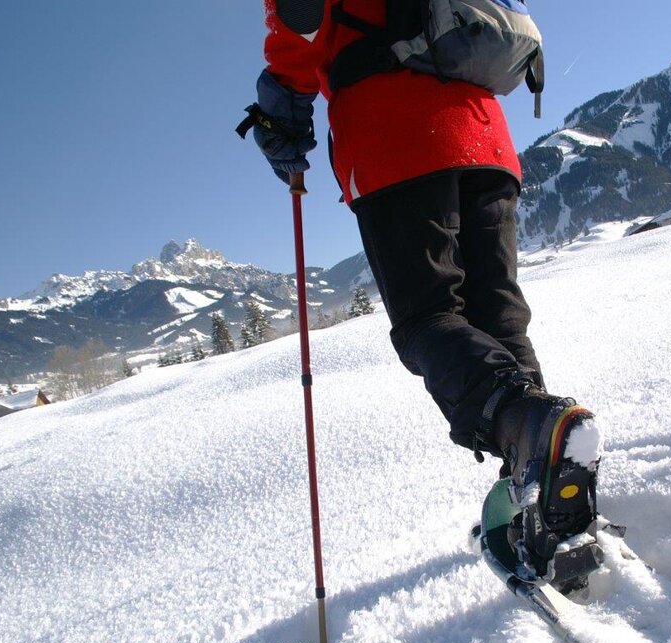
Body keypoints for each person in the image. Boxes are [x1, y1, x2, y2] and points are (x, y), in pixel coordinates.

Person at [251, 0, 603, 583]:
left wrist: (279, 105)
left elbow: (298, 25)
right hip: (486, 137)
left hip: (396, 139)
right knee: (499, 320)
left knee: (429, 319)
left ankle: (532, 434)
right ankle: (539, 484)